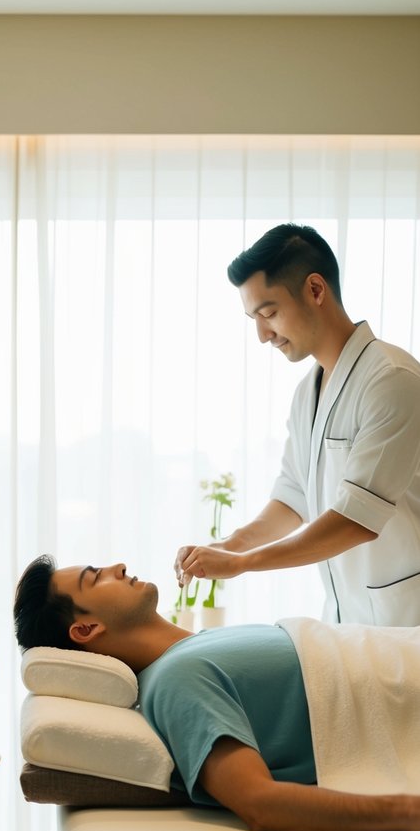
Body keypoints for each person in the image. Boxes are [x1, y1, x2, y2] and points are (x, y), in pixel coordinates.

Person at [13, 554, 420, 831]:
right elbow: (260, 803)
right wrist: (406, 813)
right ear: (85, 630)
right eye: (95, 576)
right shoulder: (177, 681)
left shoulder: (194, 650)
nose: (118, 566)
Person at [174, 224, 420, 626]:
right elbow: (293, 500)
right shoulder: (308, 392)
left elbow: (355, 520)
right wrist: (228, 546)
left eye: (268, 313)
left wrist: (243, 563)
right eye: (254, 318)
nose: (262, 334)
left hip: (406, 624)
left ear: (316, 290)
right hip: (347, 623)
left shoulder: (392, 379)